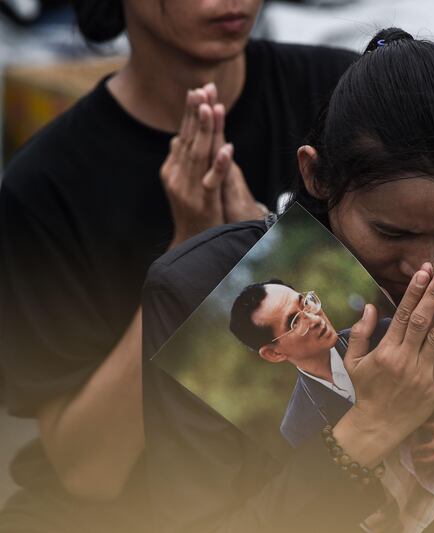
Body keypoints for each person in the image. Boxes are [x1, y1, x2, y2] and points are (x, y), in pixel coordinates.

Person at [141, 28, 434, 533]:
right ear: (317, 175)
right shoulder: (196, 288)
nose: (424, 265)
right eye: (390, 232)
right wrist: (370, 429)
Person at [0, 0, 355, 530]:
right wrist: (190, 258)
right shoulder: (46, 185)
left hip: (318, 476)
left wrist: (258, 241)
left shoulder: (338, 94)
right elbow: (90, 473)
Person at [228, 281, 434, 462]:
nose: (316, 317)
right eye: (296, 321)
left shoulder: (383, 334)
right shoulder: (297, 425)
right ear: (274, 353)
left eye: (306, 303)